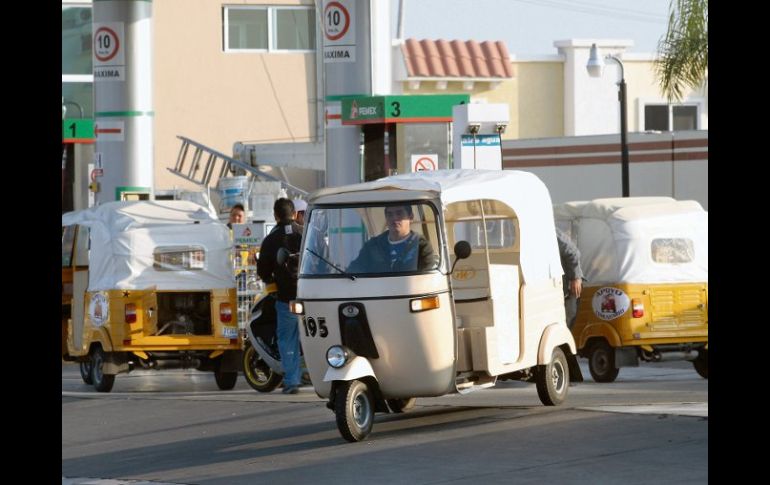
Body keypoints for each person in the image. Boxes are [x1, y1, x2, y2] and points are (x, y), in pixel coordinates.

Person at [257, 198, 303, 394]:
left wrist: (271, 280)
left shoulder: (270, 239)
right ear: (294, 214)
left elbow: (263, 271)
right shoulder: (305, 233)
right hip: (311, 296)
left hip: (286, 298)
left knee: (287, 338)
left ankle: (292, 381)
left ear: (275, 215)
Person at [347, 205, 438, 273]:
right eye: (389, 214)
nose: (394, 218)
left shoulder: (421, 246)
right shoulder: (373, 246)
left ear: (411, 217)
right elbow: (354, 269)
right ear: (386, 218)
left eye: (399, 213)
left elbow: (427, 277)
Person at [556, 227, 584, 329]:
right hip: (554, 288)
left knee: (567, 317)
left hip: (566, 287)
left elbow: (572, 251)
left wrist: (575, 277)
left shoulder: (549, 230)